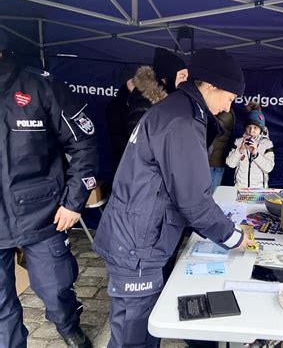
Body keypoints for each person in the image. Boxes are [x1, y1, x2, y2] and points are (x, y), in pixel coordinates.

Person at [92, 48, 253, 347]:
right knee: (135, 336)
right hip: (138, 243)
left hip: (135, 233)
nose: (227, 107)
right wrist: (234, 237)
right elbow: (193, 200)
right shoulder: (181, 120)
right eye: (229, 98)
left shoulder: (179, 108)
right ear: (211, 85)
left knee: (132, 327)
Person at [0, 29, 98, 348]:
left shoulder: (40, 85)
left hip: (43, 216)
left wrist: (74, 202)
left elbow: (84, 145)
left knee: (56, 289)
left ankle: (68, 325)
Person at [105, 47, 188, 176]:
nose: (186, 80)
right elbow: (139, 142)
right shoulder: (145, 101)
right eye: (182, 76)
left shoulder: (172, 99)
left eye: (187, 76)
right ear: (167, 76)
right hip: (145, 174)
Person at [226, 102, 275, 188]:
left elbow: (269, 168)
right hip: (240, 189)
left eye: (255, 127)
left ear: (261, 129)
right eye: (249, 127)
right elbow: (230, 164)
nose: (251, 130)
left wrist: (256, 154)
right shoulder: (238, 142)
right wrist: (240, 150)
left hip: (259, 190)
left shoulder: (267, 144)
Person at [209, 108, 235, 192]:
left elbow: (214, 127)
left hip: (214, 161)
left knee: (211, 194)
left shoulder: (226, 114)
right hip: (214, 161)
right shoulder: (227, 113)